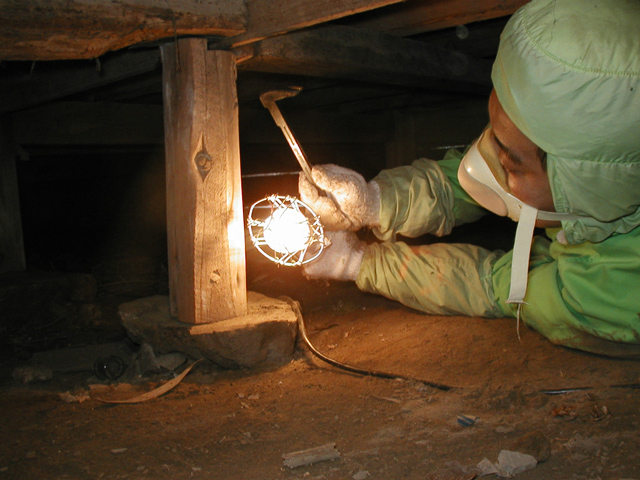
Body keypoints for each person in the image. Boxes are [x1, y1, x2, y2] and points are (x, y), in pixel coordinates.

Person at [298, 0, 640, 357]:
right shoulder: (578, 138)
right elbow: (462, 184)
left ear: (583, 187)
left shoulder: (612, 297)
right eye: (495, 131)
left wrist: (359, 263)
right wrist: (374, 201)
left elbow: (491, 286)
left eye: (512, 164)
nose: (488, 157)